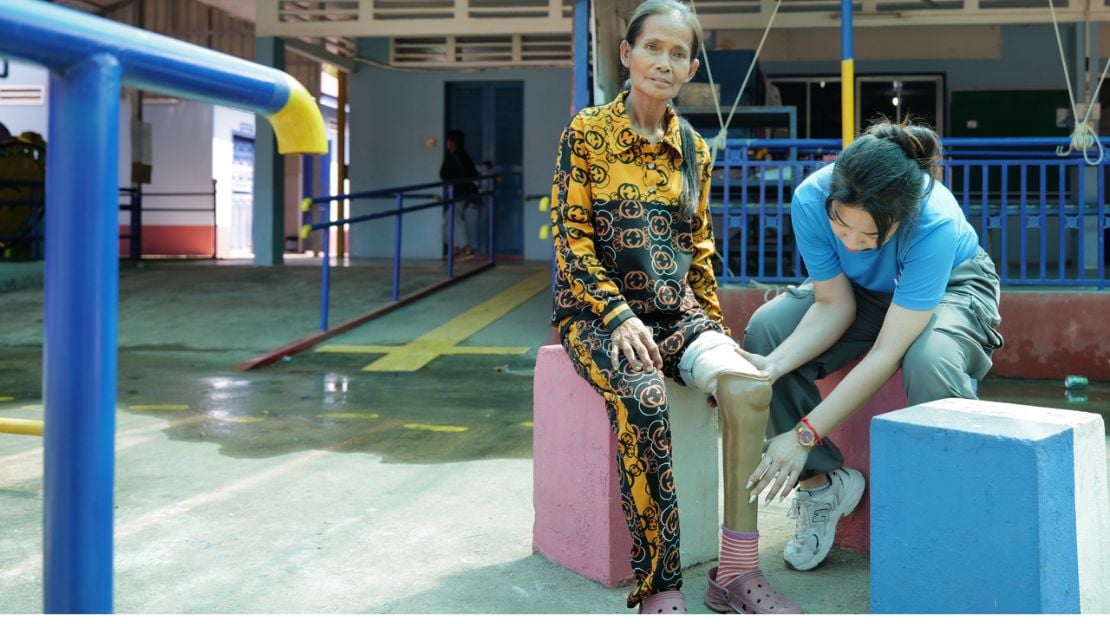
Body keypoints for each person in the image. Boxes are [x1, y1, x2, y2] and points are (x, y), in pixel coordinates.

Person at [548, 0, 801, 614]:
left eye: (678, 53)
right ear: (626, 54)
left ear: (691, 69)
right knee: (645, 397)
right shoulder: (586, 133)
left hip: (675, 314)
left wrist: (714, 333)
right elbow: (571, 237)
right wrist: (616, 315)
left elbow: (700, 249)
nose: (664, 62)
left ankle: (736, 572)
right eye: (653, 48)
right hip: (595, 314)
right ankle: (660, 585)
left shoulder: (695, 149)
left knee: (746, 384)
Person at [740, 120, 1004, 573]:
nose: (854, 245)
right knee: (769, 331)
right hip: (861, 293)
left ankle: (952, 505)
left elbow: (887, 351)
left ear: (902, 217)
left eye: (869, 237)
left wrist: (804, 433)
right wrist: (771, 366)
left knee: (930, 358)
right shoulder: (809, 198)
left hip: (952, 286)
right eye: (842, 228)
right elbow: (833, 303)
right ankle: (822, 487)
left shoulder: (933, 221)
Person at [439, 129, 479, 259]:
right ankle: (454, 247)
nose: (447, 143)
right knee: (447, 221)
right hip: (466, 193)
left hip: (457, 193)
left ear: (452, 142)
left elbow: (443, 174)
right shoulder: (465, 156)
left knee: (456, 219)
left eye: (448, 141)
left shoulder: (452, 157)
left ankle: (466, 248)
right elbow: (474, 174)